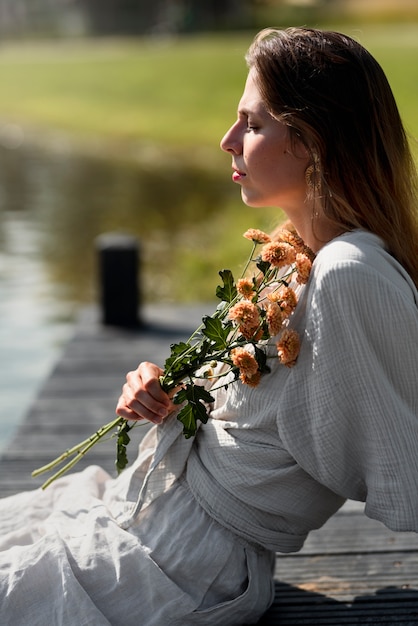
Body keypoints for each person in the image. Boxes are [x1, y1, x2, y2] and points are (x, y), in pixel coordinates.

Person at [1, 26, 418, 626]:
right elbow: (270, 415)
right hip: (136, 510)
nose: (227, 141)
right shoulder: (292, 254)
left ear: (311, 141)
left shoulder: (351, 272)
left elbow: (402, 448)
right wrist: (163, 391)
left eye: (251, 125)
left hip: (181, 564)